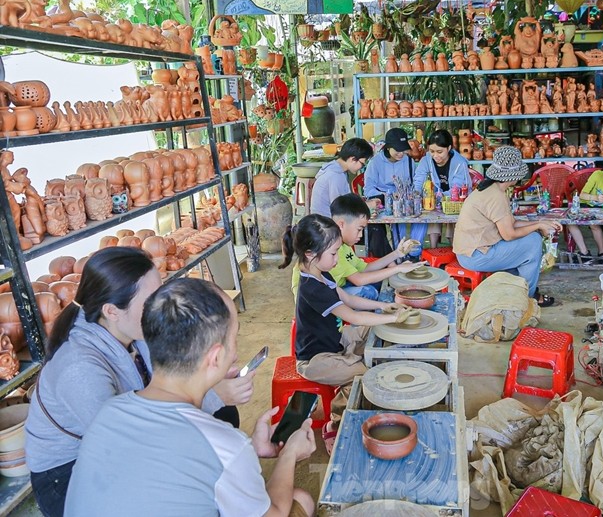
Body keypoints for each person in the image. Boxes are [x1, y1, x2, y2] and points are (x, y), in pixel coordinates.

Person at [25, 247, 253, 517]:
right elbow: (132, 443)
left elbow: (167, 383)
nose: (161, 306)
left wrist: (209, 379)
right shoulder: (79, 368)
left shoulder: (134, 331)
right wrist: (212, 395)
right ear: (112, 311)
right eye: (151, 300)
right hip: (68, 474)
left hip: (127, 440)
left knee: (223, 418)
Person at [64, 279, 316, 517]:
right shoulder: (225, 445)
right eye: (234, 337)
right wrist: (289, 454)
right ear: (216, 357)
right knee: (301, 499)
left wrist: (249, 448)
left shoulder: (109, 412)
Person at [285, 214, 413, 453]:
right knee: (367, 374)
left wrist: (385, 308)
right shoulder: (311, 287)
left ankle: (355, 382)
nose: (337, 258)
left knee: (375, 329)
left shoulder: (323, 273)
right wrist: (393, 317)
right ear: (311, 254)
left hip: (335, 341)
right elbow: (351, 315)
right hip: (315, 360)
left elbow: (350, 298)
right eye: (333, 253)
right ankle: (334, 422)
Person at [452, 146, 561, 306]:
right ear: (514, 176)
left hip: (472, 250)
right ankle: (527, 297)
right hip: (475, 256)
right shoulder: (495, 195)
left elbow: (511, 223)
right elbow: (508, 234)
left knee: (530, 238)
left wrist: (540, 224)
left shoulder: (491, 188)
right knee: (533, 242)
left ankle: (515, 292)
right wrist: (537, 226)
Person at [286, 194, 423, 300]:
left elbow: (365, 269)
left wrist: (397, 253)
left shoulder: (341, 245)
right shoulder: (330, 251)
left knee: (379, 284)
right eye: (359, 229)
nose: (361, 235)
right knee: (369, 292)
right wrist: (398, 268)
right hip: (317, 303)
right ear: (341, 224)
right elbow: (359, 279)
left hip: (337, 287)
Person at [364, 127, 419, 259]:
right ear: (388, 147)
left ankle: (413, 252)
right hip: (381, 201)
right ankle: (393, 257)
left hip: (404, 201)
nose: (401, 153)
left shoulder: (409, 161)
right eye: (397, 150)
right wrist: (387, 196)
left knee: (417, 218)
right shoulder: (375, 162)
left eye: (403, 149)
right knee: (378, 229)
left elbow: (414, 184)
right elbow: (368, 189)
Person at [412, 130, 472, 248]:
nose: (435, 155)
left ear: (449, 148)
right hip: (435, 201)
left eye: (439, 152)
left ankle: (454, 251)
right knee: (432, 215)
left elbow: (459, 187)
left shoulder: (460, 163)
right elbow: (419, 180)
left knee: (452, 223)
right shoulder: (426, 160)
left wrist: (440, 197)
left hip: (456, 201)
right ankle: (434, 250)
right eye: (432, 151)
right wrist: (417, 193)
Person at [310, 137, 374, 218]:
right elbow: (340, 208)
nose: (362, 167)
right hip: (326, 225)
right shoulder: (335, 175)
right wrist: (366, 205)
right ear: (353, 159)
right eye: (362, 164)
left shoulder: (337, 169)